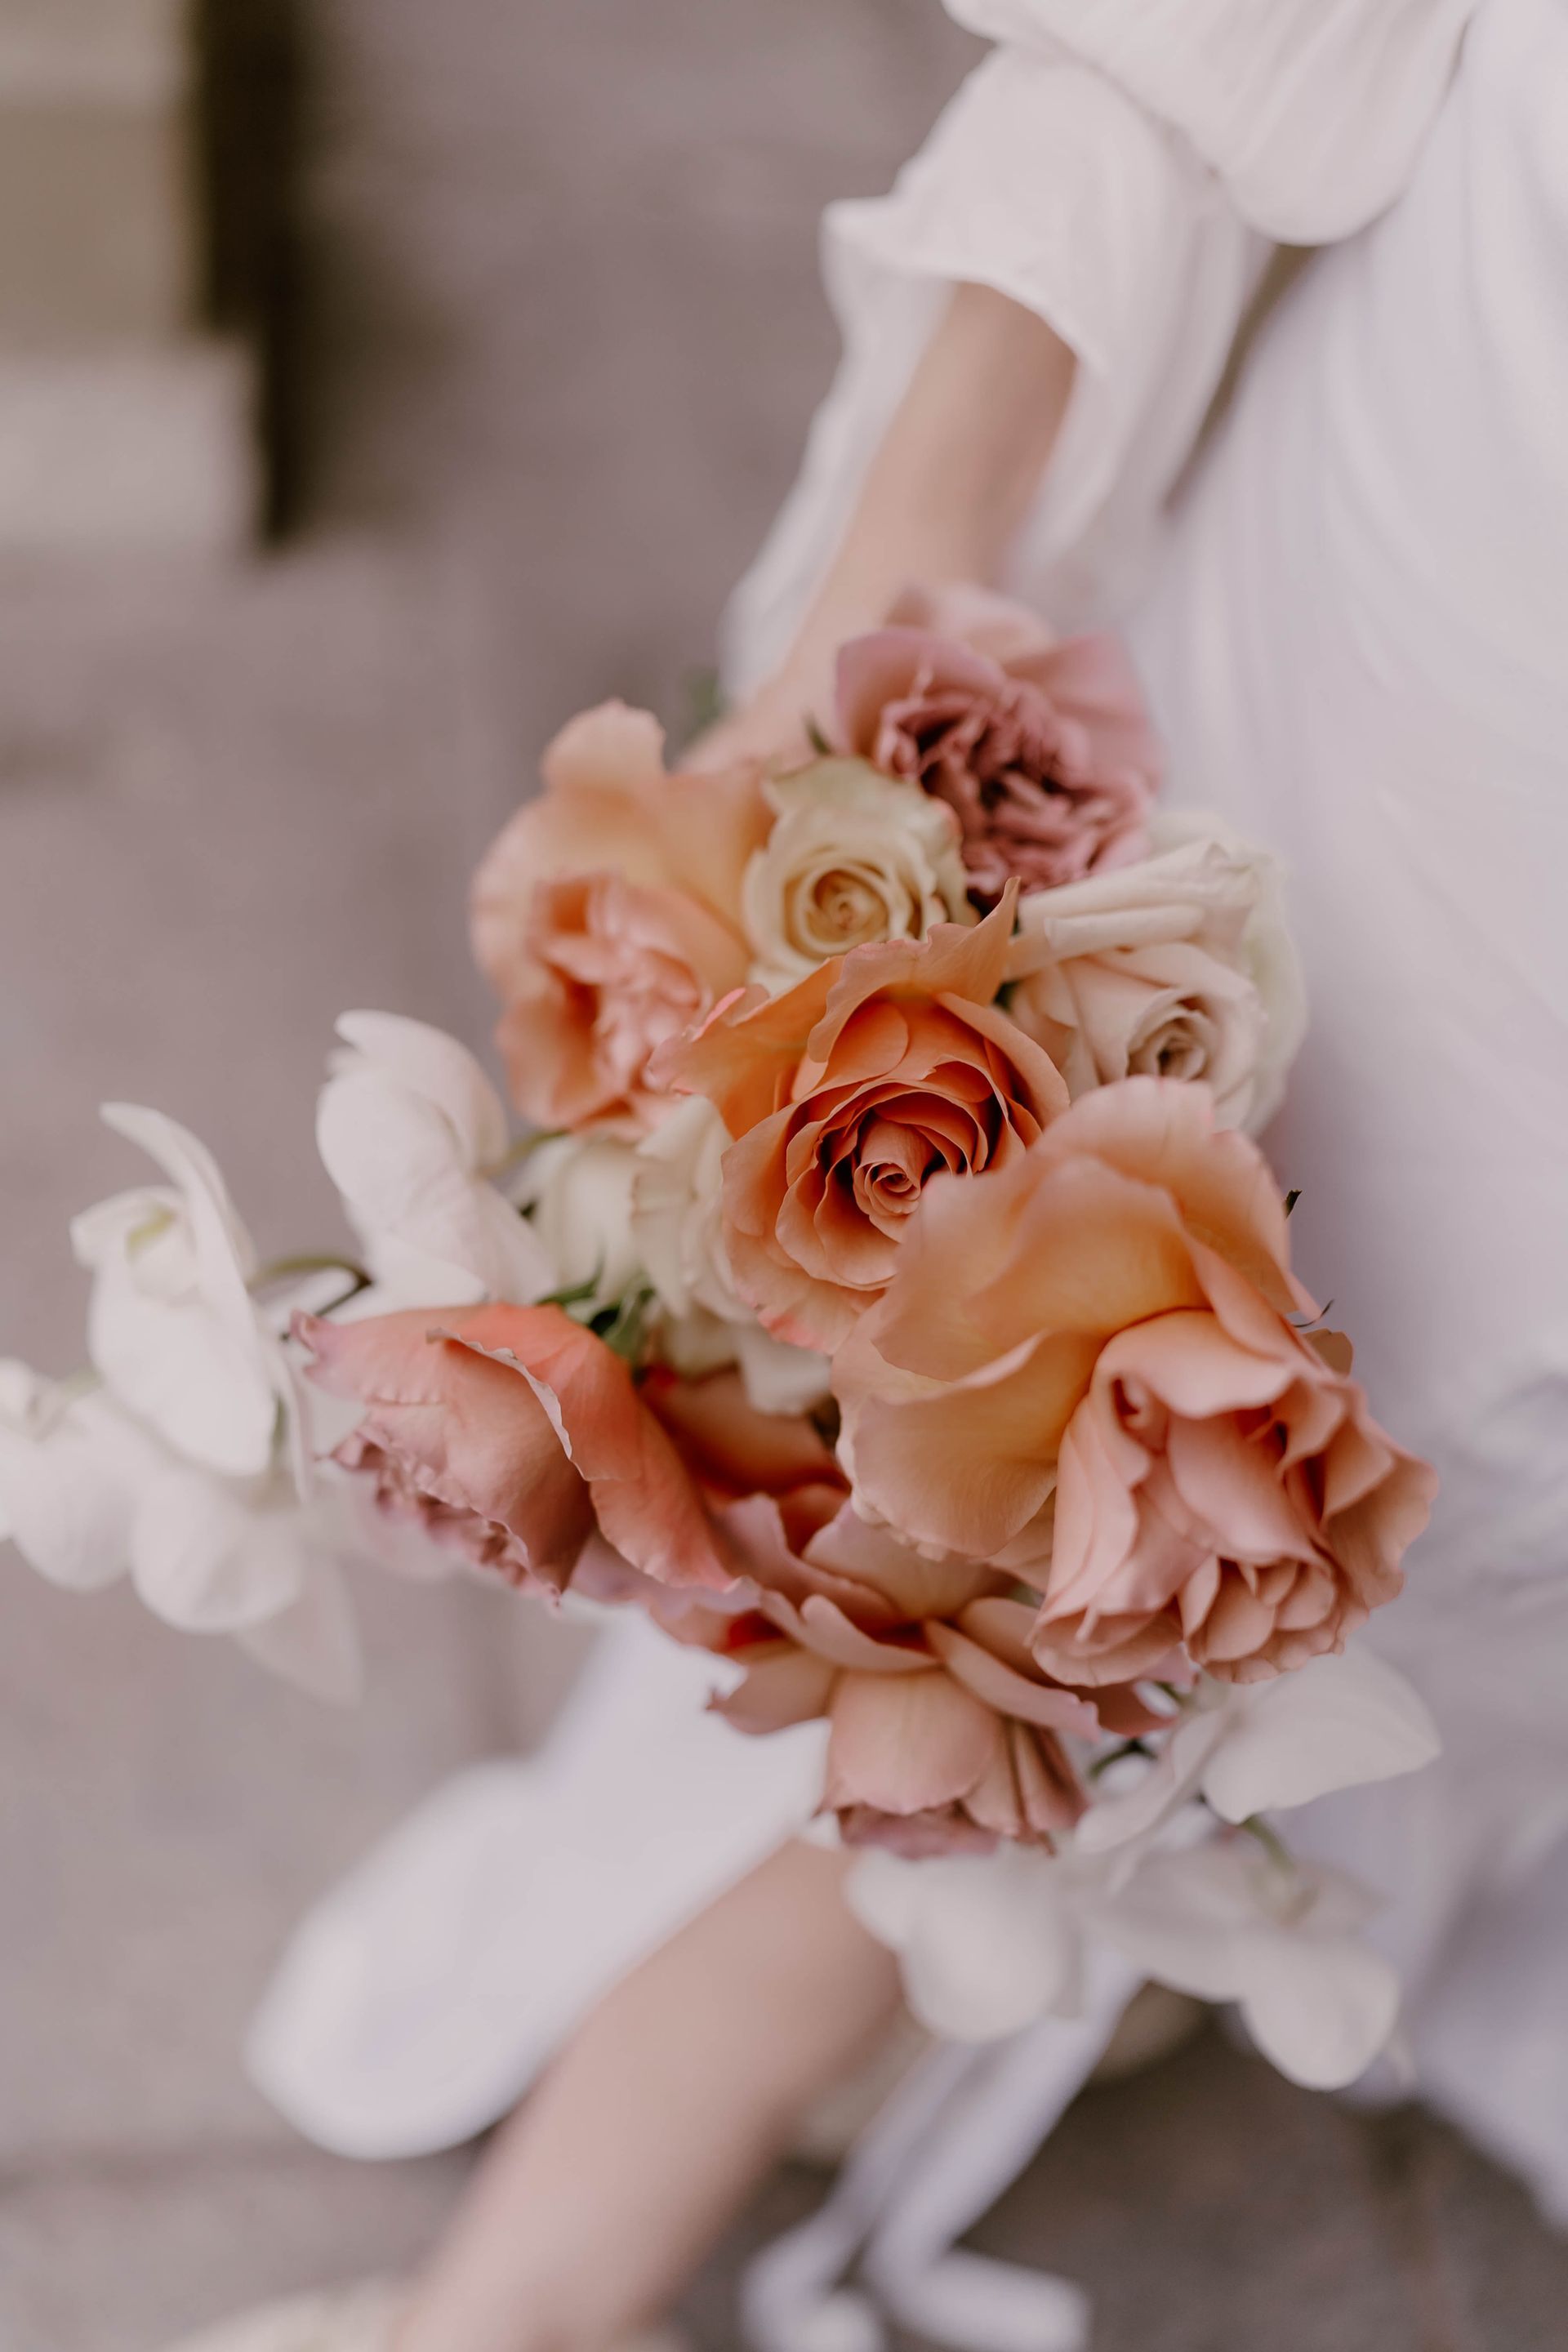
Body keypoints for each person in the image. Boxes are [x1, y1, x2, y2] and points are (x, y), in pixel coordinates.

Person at [174, 1, 1568, 2345]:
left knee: (1230, 1589)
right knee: (985, 1528)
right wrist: (907, 555)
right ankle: (535, 2277)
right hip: (1403, 671)